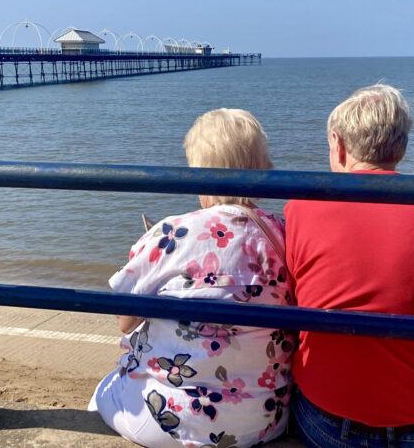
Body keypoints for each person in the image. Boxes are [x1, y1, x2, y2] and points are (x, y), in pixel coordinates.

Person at [284, 84, 414, 448]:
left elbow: (297, 299)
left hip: (328, 421)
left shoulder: (301, 205)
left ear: (338, 145)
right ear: (401, 148)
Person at [89, 108, 295, 448]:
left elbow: (124, 321)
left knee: (103, 394)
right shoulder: (284, 233)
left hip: (171, 420)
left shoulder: (173, 233)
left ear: (200, 172)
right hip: (266, 419)